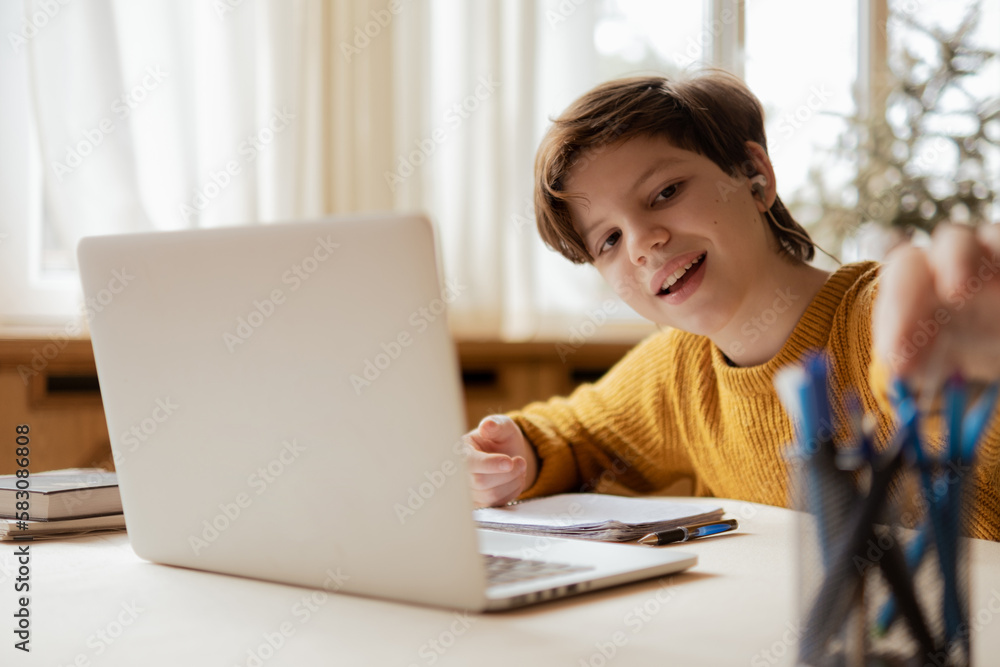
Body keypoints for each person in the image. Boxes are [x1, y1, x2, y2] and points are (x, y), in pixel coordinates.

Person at [462, 71, 1000, 541]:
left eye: (666, 191)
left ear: (754, 175)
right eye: (608, 240)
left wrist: (961, 374)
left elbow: (965, 384)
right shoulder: (679, 370)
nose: (643, 242)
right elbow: (575, 435)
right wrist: (518, 453)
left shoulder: (883, 318)